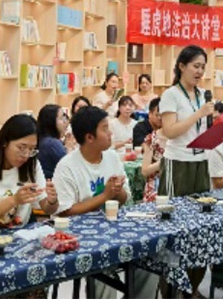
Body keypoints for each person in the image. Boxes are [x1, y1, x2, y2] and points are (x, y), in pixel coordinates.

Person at [53, 106, 156, 299]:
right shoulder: (67, 166)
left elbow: (125, 199)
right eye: (105, 128)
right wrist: (105, 195)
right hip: (82, 236)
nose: (110, 133)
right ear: (89, 137)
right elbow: (65, 212)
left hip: (113, 229)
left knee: (150, 258)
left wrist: (117, 192)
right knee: (103, 265)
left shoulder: (111, 157)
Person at [158, 45, 213, 297]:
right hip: (177, 163)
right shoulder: (171, 95)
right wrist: (199, 113)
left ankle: (192, 287)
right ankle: (170, 291)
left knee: (200, 225)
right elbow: (169, 131)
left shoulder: (202, 94)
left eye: (203, 67)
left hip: (201, 161)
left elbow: (200, 130)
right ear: (182, 66)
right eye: (196, 66)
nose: (200, 71)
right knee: (173, 226)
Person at [0, 114, 58, 230]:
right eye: (21, 147)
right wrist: (14, 200)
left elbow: (47, 209)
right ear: (5, 142)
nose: (26, 155)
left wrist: (52, 201)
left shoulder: (32, 164)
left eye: (31, 149)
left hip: (18, 236)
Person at [140, 99, 165, 202]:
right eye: (159, 115)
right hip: (156, 185)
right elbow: (144, 171)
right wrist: (164, 163)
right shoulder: (152, 139)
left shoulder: (180, 138)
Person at [36, 104, 68, 179]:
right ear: (51, 122)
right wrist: (69, 148)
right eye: (61, 118)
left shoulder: (44, 139)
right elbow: (69, 166)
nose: (65, 122)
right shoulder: (52, 143)